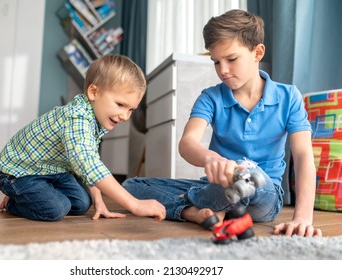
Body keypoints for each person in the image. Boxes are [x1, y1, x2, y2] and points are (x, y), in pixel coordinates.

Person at [123, 9, 322, 237]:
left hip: (264, 193)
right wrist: (214, 160)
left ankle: (193, 202)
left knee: (250, 175)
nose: (223, 70)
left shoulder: (289, 97)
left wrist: (302, 218)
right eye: (216, 62)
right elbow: (188, 142)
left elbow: (304, 155)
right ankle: (193, 211)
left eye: (231, 59)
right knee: (132, 186)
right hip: (216, 188)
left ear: (257, 52)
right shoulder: (211, 97)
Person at [0, 54, 166, 222]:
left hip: (52, 170)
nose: (125, 116)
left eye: (131, 109)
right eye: (120, 105)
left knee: (82, 203)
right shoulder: (77, 117)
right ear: (93, 92)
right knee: (56, 209)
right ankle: (15, 201)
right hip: (20, 172)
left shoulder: (95, 119)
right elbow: (88, 163)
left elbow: (87, 164)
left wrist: (99, 200)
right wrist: (134, 204)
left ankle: (32, 196)